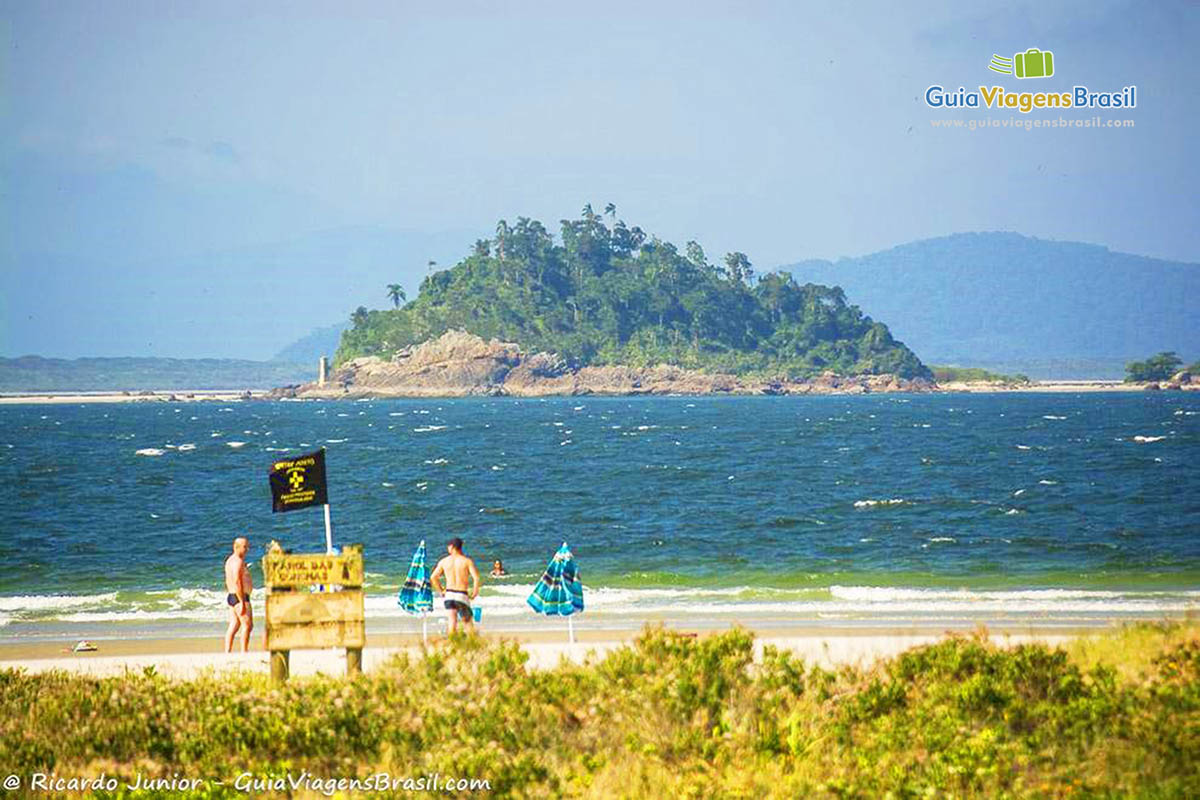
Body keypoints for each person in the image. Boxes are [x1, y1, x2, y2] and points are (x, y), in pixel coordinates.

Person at [430, 537, 481, 634]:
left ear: (452, 547)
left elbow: (433, 577)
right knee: (467, 623)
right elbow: (476, 578)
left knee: (452, 623)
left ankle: (453, 643)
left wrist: (441, 591)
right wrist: (475, 592)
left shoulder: (444, 561)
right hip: (461, 594)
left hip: (449, 594)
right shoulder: (466, 561)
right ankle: (472, 644)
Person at [223, 536, 254, 652]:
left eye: (247, 547)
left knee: (234, 624)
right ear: (236, 547)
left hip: (232, 596)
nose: (247, 549)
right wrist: (242, 602)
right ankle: (244, 651)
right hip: (240, 597)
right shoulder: (237, 562)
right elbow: (237, 581)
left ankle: (227, 651)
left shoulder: (230, 560)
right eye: (245, 547)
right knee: (247, 625)